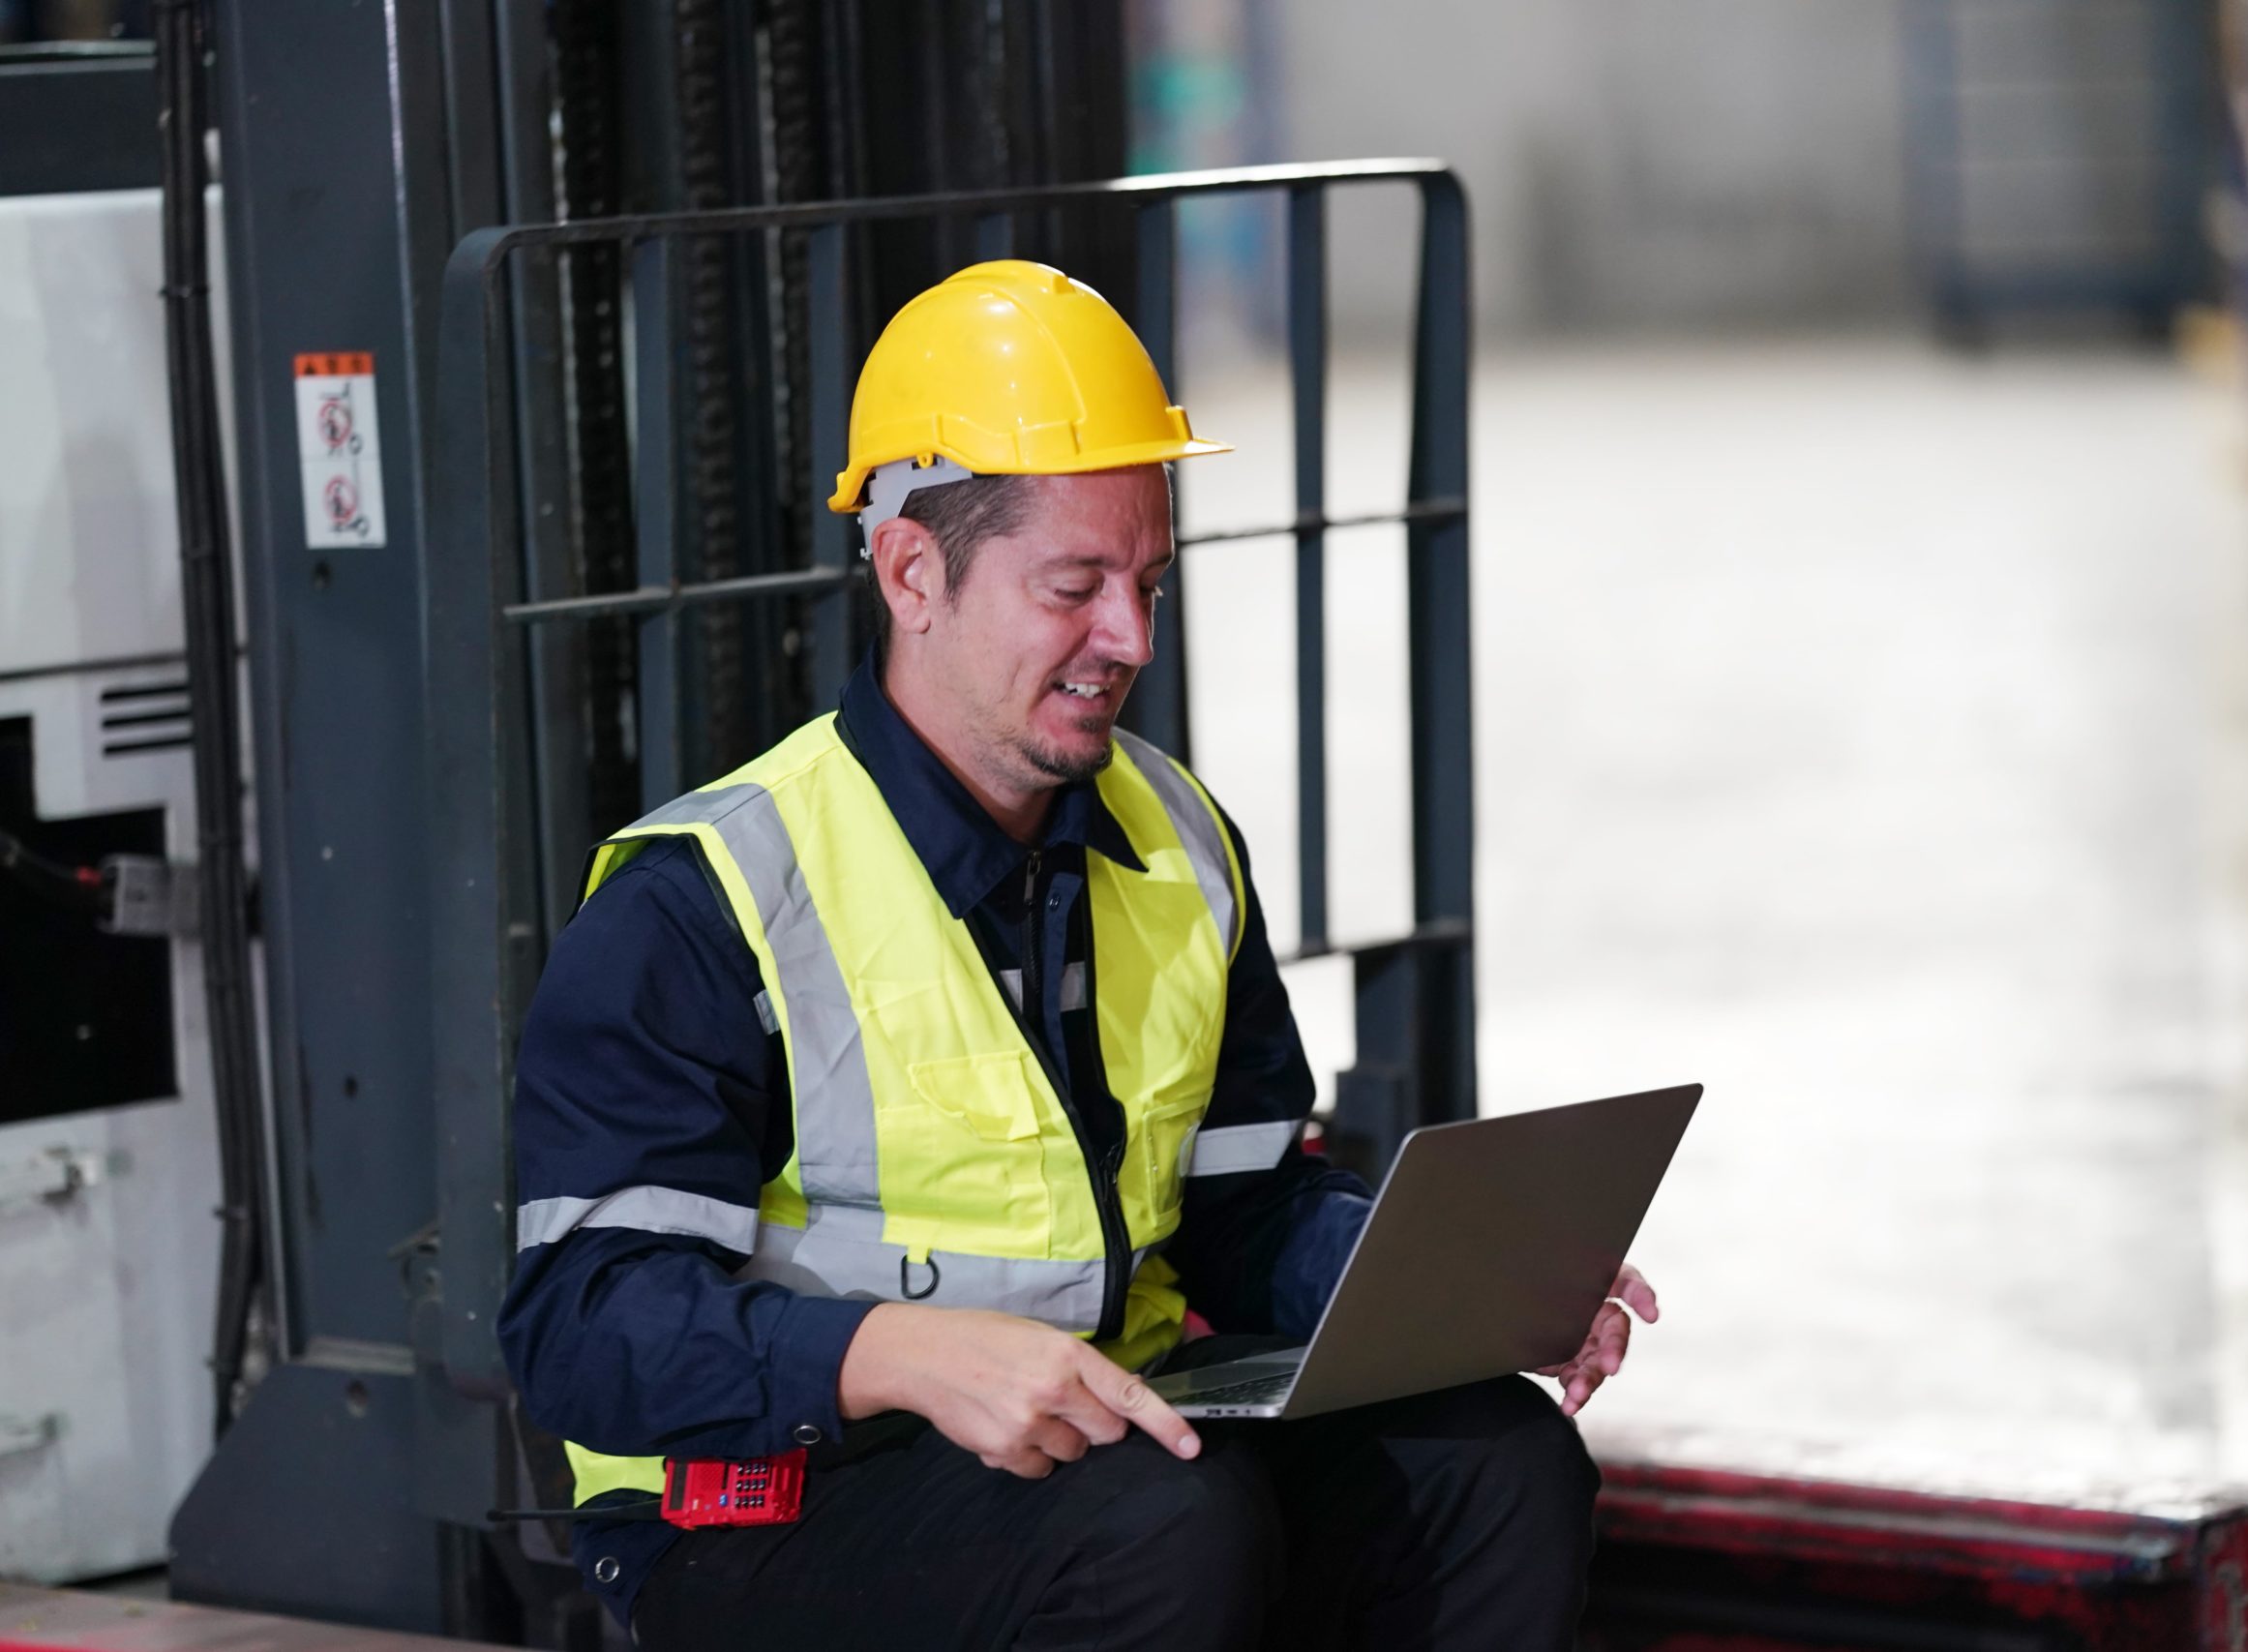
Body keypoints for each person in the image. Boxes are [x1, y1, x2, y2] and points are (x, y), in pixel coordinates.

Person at [496, 259, 1660, 1651]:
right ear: (913, 571)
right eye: (1076, 587)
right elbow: (580, 1323)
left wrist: (1460, 1292)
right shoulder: (709, 898)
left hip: (1102, 1432)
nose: (1131, 637)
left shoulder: (1173, 837)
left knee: (1499, 1464)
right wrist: (891, 1355)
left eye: (1150, 581)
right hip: (769, 1498)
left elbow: (1245, 1210)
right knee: (1162, 1531)